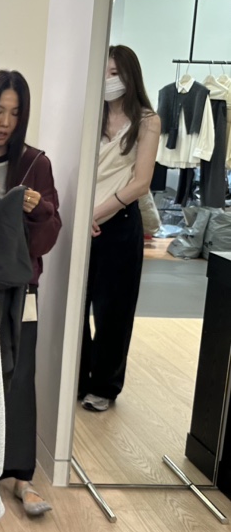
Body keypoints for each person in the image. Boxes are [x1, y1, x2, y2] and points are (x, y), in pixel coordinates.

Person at [0, 70, 62, 516]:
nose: (4, 122)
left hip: (20, 287)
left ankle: (20, 477)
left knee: (19, 374)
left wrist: (38, 210)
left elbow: (48, 234)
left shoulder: (35, 163)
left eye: (15, 113)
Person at [79, 45, 161, 412]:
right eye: (104, 72)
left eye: (115, 73)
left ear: (130, 75)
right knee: (75, 305)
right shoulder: (90, 116)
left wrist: (96, 214)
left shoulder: (147, 121)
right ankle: (77, 379)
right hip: (83, 222)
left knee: (113, 310)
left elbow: (141, 182)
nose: (109, 80)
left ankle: (104, 386)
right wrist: (83, 216)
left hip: (119, 223)